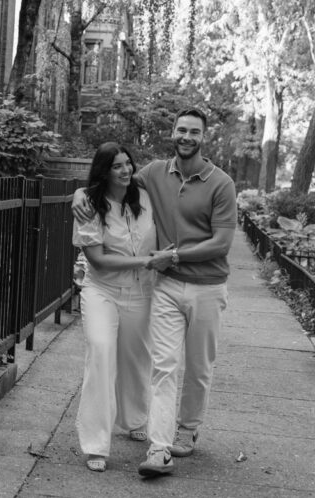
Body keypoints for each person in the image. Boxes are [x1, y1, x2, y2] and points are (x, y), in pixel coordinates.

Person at [73, 108, 237, 478]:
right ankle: (144, 446)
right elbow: (107, 188)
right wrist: (78, 193)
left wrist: (172, 256)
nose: (186, 136)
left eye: (194, 131)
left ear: (203, 136)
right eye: (181, 129)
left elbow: (222, 242)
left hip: (199, 286)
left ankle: (173, 425)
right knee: (151, 364)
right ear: (173, 132)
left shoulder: (214, 184)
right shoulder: (153, 175)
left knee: (184, 366)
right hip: (142, 287)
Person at [72, 142, 161, 473]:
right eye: (116, 166)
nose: (125, 170)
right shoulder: (89, 207)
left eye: (128, 164)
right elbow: (97, 260)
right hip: (102, 291)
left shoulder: (146, 197)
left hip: (141, 293)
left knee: (137, 357)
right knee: (101, 351)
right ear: (103, 171)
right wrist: (147, 261)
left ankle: (135, 418)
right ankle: (96, 443)